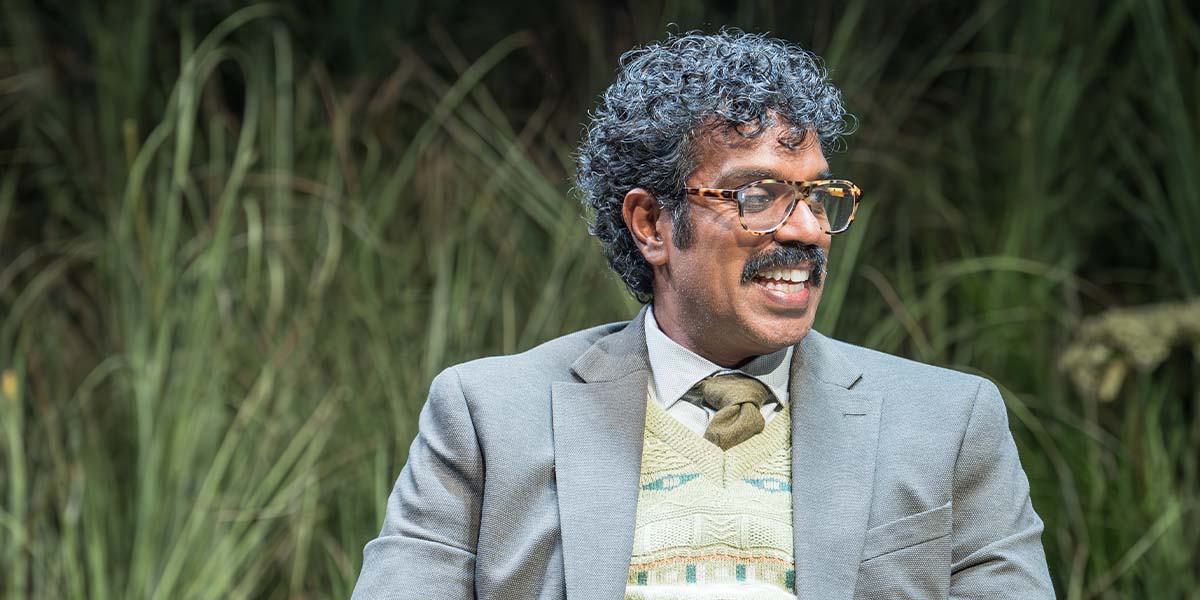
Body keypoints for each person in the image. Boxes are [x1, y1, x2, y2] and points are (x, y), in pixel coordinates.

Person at [351, 30, 1054, 599]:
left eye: (819, 197)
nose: (808, 230)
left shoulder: (949, 423)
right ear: (651, 223)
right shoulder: (489, 417)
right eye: (756, 195)